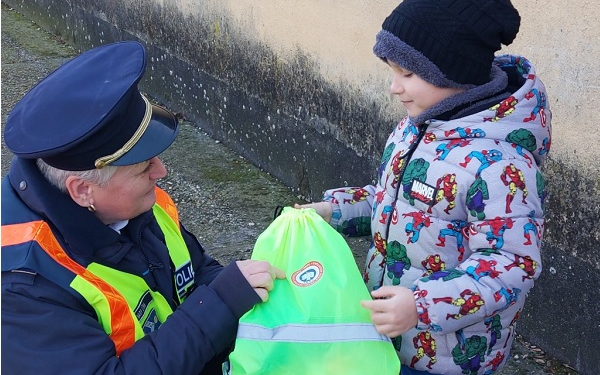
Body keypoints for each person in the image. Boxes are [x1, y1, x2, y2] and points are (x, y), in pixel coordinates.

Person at [296, 0, 551, 374]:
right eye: (392, 71)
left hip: (449, 357)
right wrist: (333, 212)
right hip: (387, 334)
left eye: (408, 74)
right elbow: (392, 202)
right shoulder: (415, 128)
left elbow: (511, 265)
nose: (393, 87)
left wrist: (420, 305)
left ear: (454, 73)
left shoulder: (503, 165)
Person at [1, 41, 284, 374]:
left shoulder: (132, 204)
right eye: (143, 166)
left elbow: (193, 274)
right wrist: (220, 305)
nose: (161, 171)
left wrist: (245, 292)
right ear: (83, 191)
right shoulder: (23, 286)